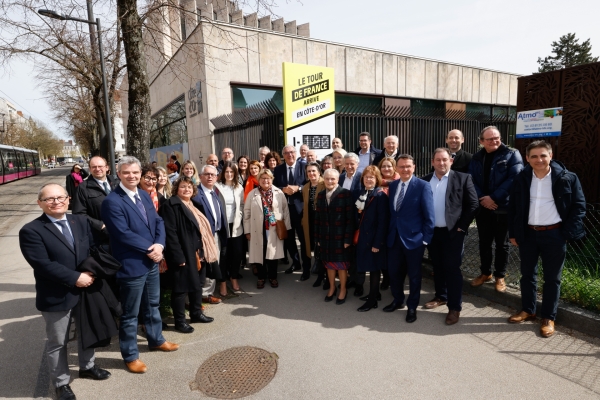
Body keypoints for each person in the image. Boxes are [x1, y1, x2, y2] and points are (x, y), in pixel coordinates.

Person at [20, 183, 111, 400]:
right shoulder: (31, 230)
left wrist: (94, 271)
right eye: (49, 199)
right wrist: (75, 278)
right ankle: (61, 383)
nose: (56, 202)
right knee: (58, 342)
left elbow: (91, 248)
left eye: (60, 197)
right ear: (40, 203)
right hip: (56, 294)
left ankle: (87, 367)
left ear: (68, 199)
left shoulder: (79, 221)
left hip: (86, 288)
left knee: (87, 329)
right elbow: (43, 264)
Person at [100, 156, 178, 374]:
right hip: (132, 264)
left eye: (135, 173)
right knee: (130, 313)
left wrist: (160, 245)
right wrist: (151, 249)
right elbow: (122, 234)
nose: (132, 176)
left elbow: (158, 222)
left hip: (152, 260)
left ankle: (156, 340)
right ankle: (131, 355)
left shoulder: (143, 194)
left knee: (152, 304)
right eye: (126, 173)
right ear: (118, 174)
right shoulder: (112, 201)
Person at [508, 140, 586, 337]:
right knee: (527, 275)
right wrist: (514, 232)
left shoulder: (567, 178)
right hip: (528, 234)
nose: (539, 159)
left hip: (555, 234)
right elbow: (514, 208)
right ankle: (528, 309)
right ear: (527, 158)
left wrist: (567, 233)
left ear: (550, 156)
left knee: (552, 279)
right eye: (534, 156)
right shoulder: (521, 178)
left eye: (543, 155)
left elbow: (579, 206)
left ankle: (548, 317)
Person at [421, 148, 479, 325]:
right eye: (437, 160)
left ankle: (455, 308)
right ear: (432, 162)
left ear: (451, 161)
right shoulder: (424, 181)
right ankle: (441, 296)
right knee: (437, 266)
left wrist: (462, 227)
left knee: (452, 269)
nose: (441, 163)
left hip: (453, 232)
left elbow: (473, 204)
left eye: (444, 160)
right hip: (432, 233)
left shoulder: (463, 178)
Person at [468, 126, 523, 292]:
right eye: (490, 139)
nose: (494, 141)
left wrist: (493, 197)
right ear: (481, 141)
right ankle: (485, 273)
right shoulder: (477, 157)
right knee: (484, 242)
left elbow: (515, 178)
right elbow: (470, 179)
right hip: (483, 206)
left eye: (496, 138)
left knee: (502, 244)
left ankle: (500, 276)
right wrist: (482, 198)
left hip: (502, 207)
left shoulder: (512, 154)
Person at [159, 177, 215, 334]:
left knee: (197, 285)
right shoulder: (170, 206)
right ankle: (179, 321)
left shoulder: (195, 205)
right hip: (182, 253)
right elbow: (170, 233)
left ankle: (196, 314)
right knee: (180, 289)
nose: (187, 190)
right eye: (183, 187)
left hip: (198, 252)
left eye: (190, 187)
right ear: (176, 188)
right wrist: (177, 256)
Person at [385, 154, 434, 323]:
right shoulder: (392, 186)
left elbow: (429, 216)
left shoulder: (423, 186)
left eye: (408, 166)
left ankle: (412, 306)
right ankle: (398, 300)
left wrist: (425, 239)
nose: (405, 169)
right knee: (394, 273)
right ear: (396, 168)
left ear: (414, 167)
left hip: (414, 240)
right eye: (401, 166)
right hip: (394, 238)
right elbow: (394, 215)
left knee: (414, 276)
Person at [244, 169, 291, 289]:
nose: (265, 180)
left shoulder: (279, 192)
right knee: (260, 253)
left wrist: (286, 228)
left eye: (268, 178)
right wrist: (247, 230)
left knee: (273, 254)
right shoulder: (252, 194)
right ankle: (261, 277)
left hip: (274, 228)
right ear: (259, 180)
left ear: (271, 180)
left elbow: (285, 210)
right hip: (257, 228)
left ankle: (273, 276)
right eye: (263, 178)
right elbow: (247, 213)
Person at [314, 168, 355, 305]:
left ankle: (343, 289)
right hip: (325, 238)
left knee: (341, 266)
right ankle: (332, 287)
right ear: (323, 179)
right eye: (327, 178)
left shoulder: (346, 194)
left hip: (340, 238)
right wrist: (318, 238)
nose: (330, 181)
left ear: (338, 180)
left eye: (333, 179)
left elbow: (350, 219)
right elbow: (318, 218)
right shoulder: (320, 195)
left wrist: (348, 239)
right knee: (329, 265)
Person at [355, 166, 389, 312]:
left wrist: (378, 243)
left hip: (374, 239)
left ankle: (372, 300)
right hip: (363, 237)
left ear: (377, 179)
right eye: (366, 177)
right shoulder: (363, 193)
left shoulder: (380, 195)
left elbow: (383, 222)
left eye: (372, 177)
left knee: (375, 269)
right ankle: (376, 293)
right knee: (368, 267)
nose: (369, 179)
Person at [273, 145, 311, 279]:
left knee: (303, 239)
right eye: (286, 153)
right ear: (283, 155)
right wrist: (283, 189)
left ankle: (307, 267)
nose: (290, 155)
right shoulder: (277, 170)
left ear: (296, 153)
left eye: (292, 152)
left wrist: (298, 188)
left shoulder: (304, 166)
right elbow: (273, 186)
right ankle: (296, 263)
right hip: (285, 210)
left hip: (300, 210)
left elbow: (310, 183)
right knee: (289, 239)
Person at [193, 164, 228, 304]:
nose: (210, 177)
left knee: (214, 263)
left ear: (216, 177)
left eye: (213, 175)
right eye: (207, 174)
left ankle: (208, 293)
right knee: (203, 266)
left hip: (217, 235)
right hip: (203, 237)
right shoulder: (196, 195)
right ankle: (199, 296)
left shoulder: (215, 192)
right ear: (200, 177)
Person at [72, 156, 117, 247]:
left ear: (106, 167)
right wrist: (100, 225)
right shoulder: (83, 188)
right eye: (94, 167)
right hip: (101, 239)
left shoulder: (117, 183)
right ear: (90, 169)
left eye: (100, 166)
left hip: (121, 233)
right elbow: (78, 214)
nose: (97, 169)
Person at [214, 162, 245, 296]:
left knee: (237, 253)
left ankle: (233, 278)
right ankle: (222, 282)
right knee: (224, 254)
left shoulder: (239, 187)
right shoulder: (217, 187)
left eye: (232, 172)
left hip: (236, 225)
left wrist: (240, 216)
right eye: (227, 172)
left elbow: (242, 205)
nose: (229, 174)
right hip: (222, 226)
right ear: (223, 173)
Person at [301, 162, 326, 288]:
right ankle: (309, 272)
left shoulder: (325, 183)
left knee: (322, 249)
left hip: (322, 222)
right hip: (309, 221)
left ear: (319, 172)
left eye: (313, 171)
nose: (311, 173)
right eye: (309, 171)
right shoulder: (306, 187)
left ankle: (323, 276)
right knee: (311, 248)